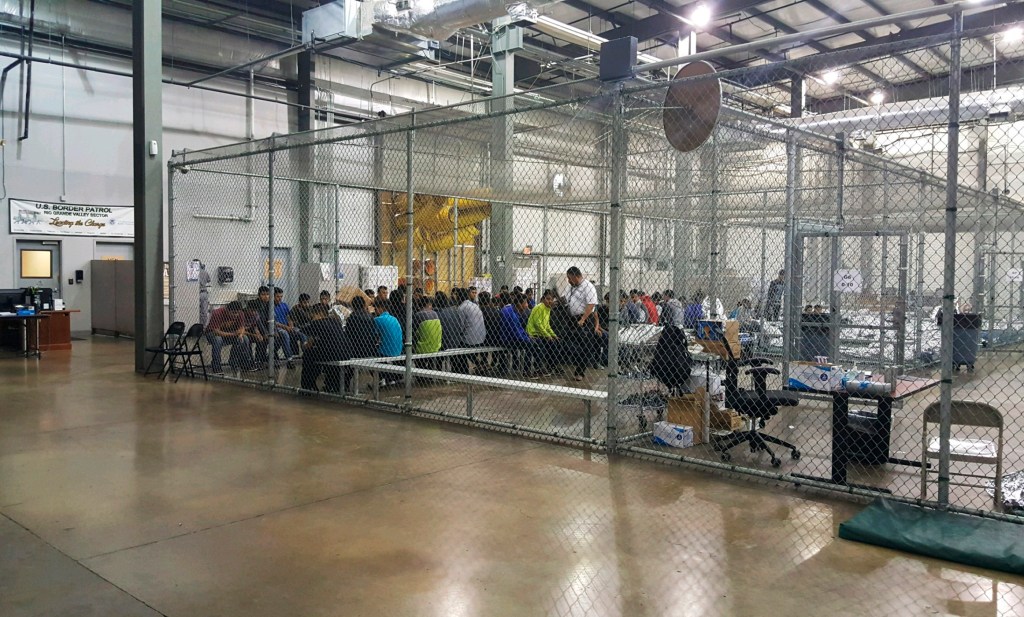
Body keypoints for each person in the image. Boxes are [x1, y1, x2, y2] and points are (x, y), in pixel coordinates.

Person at [563, 266, 599, 382]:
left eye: (569, 278)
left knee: (585, 347)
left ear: (575, 276)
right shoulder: (571, 287)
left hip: (585, 320)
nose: (568, 281)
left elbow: (591, 304)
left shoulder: (588, 287)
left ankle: (580, 372)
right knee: (569, 344)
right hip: (572, 319)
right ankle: (577, 366)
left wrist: (583, 319)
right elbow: (566, 299)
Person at [301, 305, 348, 393]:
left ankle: (306, 386)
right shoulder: (336, 322)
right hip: (344, 353)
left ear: (318, 314)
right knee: (317, 354)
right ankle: (331, 385)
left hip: (330, 353)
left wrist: (305, 345)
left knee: (308, 354)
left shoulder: (317, 322)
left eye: (313, 315)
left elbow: (308, 339)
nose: (312, 318)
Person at [206, 301, 254, 374]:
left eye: (237, 313)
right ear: (227, 310)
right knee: (218, 339)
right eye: (234, 313)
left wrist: (240, 334)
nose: (236, 315)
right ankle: (216, 366)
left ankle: (241, 363)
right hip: (213, 334)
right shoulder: (217, 313)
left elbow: (242, 327)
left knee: (245, 338)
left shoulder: (240, 313)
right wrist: (233, 334)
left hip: (230, 334)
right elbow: (216, 331)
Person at [500, 292, 537, 375]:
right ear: (519, 304)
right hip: (507, 340)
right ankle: (526, 371)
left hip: (509, 337)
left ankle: (526, 367)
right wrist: (528, 339)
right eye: (525, 303)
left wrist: (527, 335)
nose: (527, 305)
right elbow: (517, 334)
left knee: (532, 341)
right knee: (531, 344)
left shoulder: (512, 310)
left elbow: (519, 329)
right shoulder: (512, 313)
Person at [526, 290, 560, 375]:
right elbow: (538, 324)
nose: (550, 301)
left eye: (551, 299)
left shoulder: (548, 309)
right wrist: (548, 335)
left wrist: (553, 335)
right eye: (548, 299)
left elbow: (547, 325)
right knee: (543, 347)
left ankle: (552, 366)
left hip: (541, 333)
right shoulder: (539, 307)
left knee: (555, 343)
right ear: (543, 299)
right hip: (534, 333)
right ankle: (539, 368)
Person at [436, 291, 467, 373]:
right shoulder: (454, 311)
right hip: (456, 341)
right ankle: (456, 370)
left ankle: (438, 371)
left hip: (444, 343)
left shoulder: (438, 314)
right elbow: (460, 326)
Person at [273, 287, 304, 367]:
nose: (280, 298)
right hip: (277, 328)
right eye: (277, 296)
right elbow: (274, 323)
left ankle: (307, 353)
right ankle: (289, 360)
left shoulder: (284, 305)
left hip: (287, 326)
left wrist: (291, 325)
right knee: (285, 334)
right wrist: (286, 327)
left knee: (301, 332)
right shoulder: (270, 307)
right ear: (273, 296)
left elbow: (289, 317)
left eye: (281, 296)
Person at [456, 287, 485, 372]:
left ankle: (464, 368)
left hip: (471, 340)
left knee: (458, 344)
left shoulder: (461, 308)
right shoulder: (475, 305)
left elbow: (460, 327)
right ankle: (481, 364)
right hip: (481, 337)